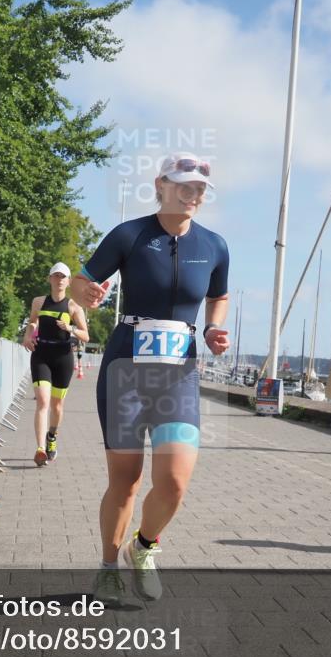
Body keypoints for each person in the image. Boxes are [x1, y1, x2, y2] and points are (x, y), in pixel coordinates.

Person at [71, 152, 230, 604]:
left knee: (175, 481)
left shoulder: (215, 245)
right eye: (183, 185)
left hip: (178, 375)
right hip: (125, 371)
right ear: (160, 184)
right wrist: (92, 293)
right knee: (126, 479)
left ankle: (143, 547)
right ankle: (106, 566)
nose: (192, 194)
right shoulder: (130, 235)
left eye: (199, 187)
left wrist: (216, 328)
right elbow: (84, 282)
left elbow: (219, 297)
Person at [23, 262, 90, 466]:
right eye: (55, 276)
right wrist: (27, 335)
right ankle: (40, 449)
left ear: (68, 282)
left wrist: (70, 328)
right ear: (49, 279)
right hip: (41, 354)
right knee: (42, 401)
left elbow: (86, 335)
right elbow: (33, 322)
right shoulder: (38, 302)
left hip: (63, 357)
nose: (59, 280)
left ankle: (51, 436)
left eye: (63, 277)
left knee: (57, 406)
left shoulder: (73, 307)